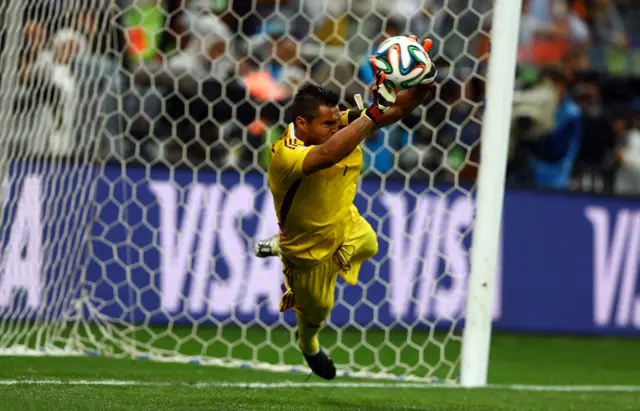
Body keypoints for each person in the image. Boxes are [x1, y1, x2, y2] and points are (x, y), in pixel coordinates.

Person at [254, 36, 437, 380]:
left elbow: (398, 110)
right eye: (328, 124)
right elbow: (329, 154)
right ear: (303, 126)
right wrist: (370, 114)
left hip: (345, 222)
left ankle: (281, 242)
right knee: (318, 313)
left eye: (338, 120)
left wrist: (423, 78)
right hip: (308, 250)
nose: (337, 125)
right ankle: (308, 344)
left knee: (370, 243)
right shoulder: (284, 155)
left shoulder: (337, 122)